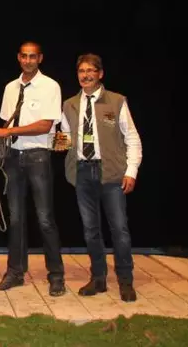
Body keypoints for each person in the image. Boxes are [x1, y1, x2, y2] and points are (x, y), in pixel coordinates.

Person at [58, 53, 142, 302]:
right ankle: (98, 279)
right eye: (81, 71)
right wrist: (49, 142)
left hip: (112, 173)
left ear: (100, 73)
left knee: (120, 230)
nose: (86, 75)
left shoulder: (116, 101)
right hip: (83, 172)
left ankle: (125, 282)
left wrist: (131, 171)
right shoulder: (69, 104)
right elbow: (65, 137)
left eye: (91, 70)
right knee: (90, 230)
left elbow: (133, 139)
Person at [0, 41, 66, 296]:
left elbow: (45, 125)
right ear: (18, 58)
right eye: (24, 56)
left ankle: (56, 275)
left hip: (38, 157)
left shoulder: (50, 86)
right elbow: (5, 120)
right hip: (13, 157)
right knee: (16, 218)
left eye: (32, 56)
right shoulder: (10, 88)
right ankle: (15, 272)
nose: (28, 60)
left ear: (40, 58)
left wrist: (8, 131)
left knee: (45, 219)